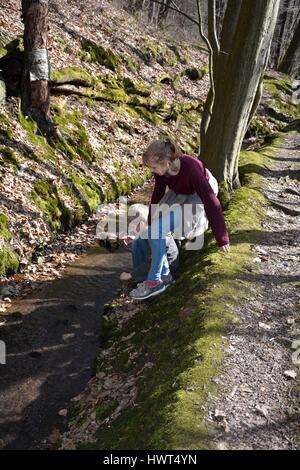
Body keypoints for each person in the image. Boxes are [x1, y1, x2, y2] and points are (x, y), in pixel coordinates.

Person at [129, 138, 230, 300]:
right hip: (181, 190)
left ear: (167, 161)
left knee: (159, 229)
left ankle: (154, 282)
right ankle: (166, 276)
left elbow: (211, 201)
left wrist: (222, 237)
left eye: (154, 167)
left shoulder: (191, 169)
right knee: (156, 228)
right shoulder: (163, 171)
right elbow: (158, 193)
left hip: (199, 192)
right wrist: (150, 222)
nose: (153, 171)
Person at [119, 203, 179, 285]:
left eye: (132, 226)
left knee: (137, 242)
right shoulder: (151, 227)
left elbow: (153, 261)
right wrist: (134, 237)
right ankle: (140, 274)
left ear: (141, 224)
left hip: (168, 268)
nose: (130, 229)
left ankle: (142, 279)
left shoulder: (154, 235)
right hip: (159, 261)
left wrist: (131, 275)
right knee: (136, 241)